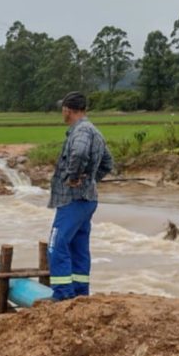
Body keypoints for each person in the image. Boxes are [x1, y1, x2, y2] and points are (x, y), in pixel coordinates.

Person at [47, 91, 113, 301]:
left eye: (63, 109)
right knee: (78, 247)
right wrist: (90, 180)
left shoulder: (81, 132)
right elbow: (108, 163)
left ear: (67, 109)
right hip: (87, 200)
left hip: (72, 200)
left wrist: (74, 177)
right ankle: (80, 295)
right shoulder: (95, 131)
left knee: (56, 246)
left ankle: (63, 296)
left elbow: (80, 153)